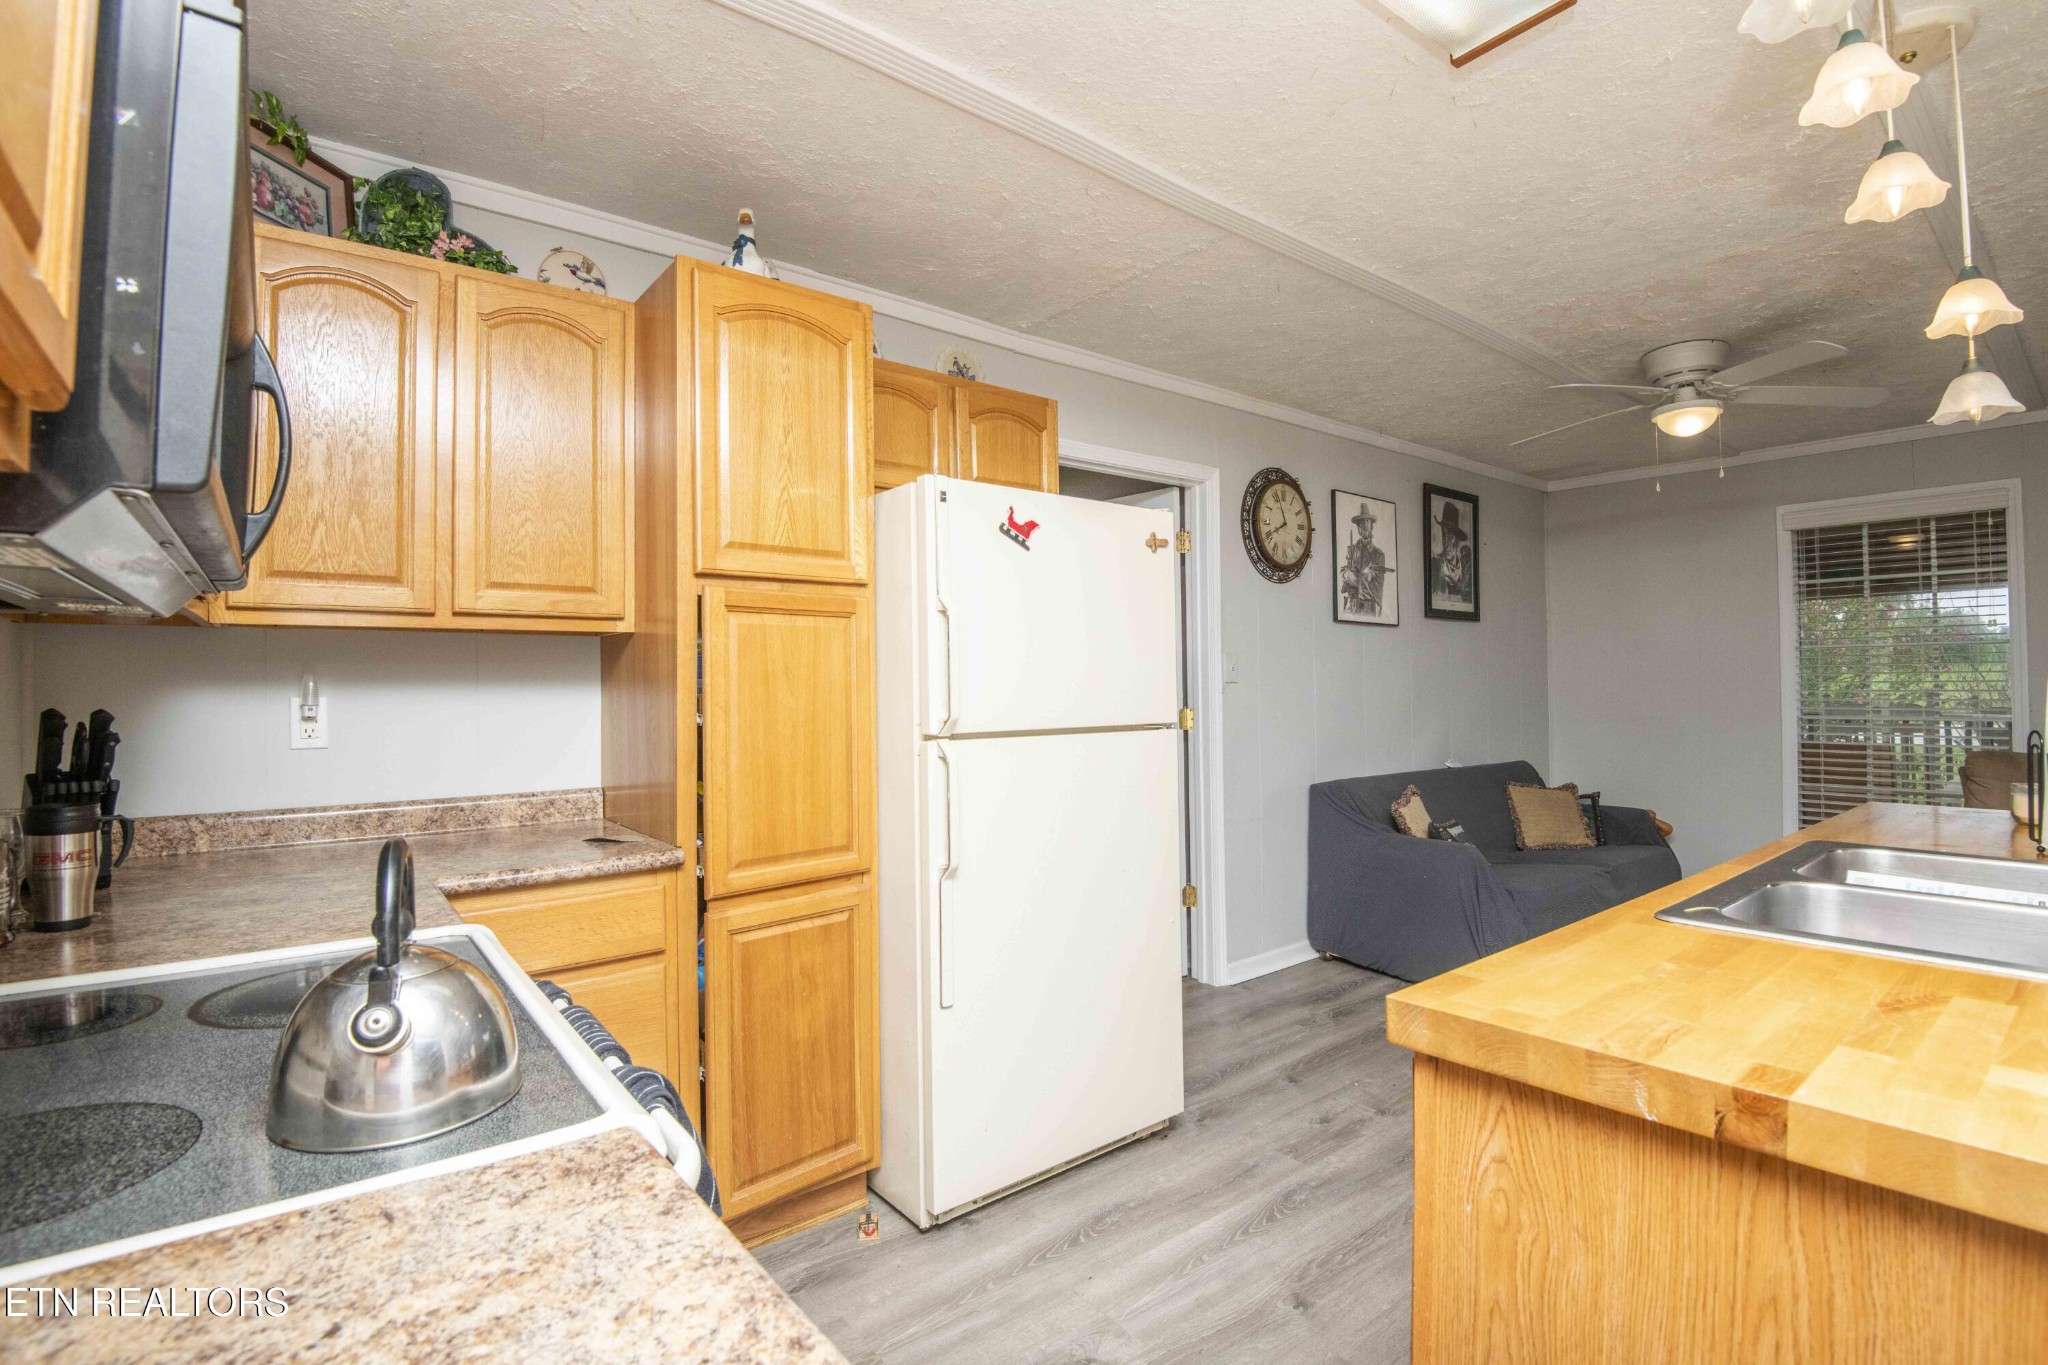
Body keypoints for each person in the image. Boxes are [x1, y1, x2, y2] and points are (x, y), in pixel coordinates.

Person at [1341, 502, 1387, 618]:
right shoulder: (1351, 550)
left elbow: (1378, 585)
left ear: (1371, 526)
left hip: (1369, 608)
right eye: (1361, 523)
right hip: (1351, 606)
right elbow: (1343, 573)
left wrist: (1358, 579)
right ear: (1358, 528)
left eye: (1367, 522)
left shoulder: (1379, 555)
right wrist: (1348, 575)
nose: (1364, 526)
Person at [1434, 500, 1472, 603]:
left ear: (1458, 539)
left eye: (1450, 537)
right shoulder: (1435, 563)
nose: (1446, 542)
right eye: (1444, 535)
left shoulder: (1466, 567)